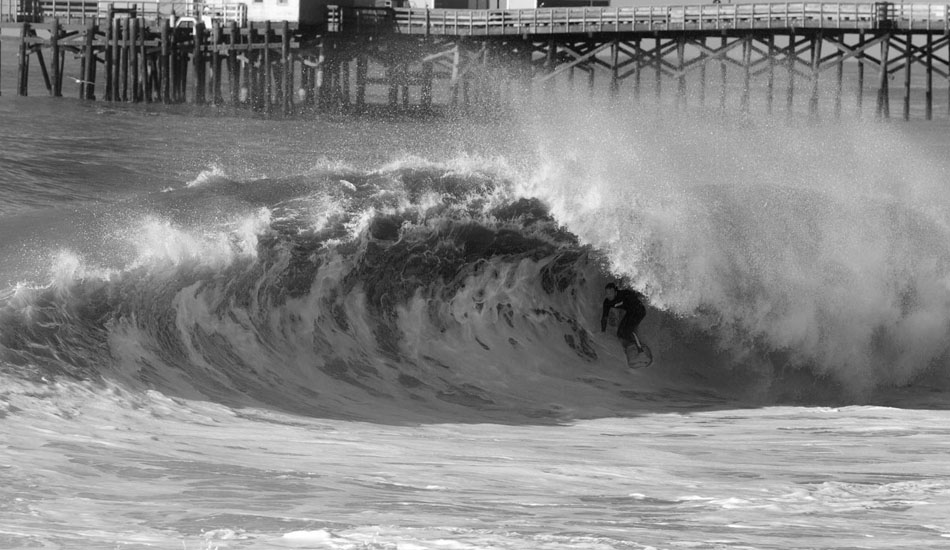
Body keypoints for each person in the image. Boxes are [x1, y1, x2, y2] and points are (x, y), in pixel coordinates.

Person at [600, 282, 647, 352]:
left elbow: (636, 294)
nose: (609, 295)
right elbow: (604, 318)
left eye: (611, 293)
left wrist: (645, 293)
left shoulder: (623, 294)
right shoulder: (607, 303)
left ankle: (640, 348)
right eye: (607, 293)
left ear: (615, 292)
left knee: (627, 331)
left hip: (639, 311)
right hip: (630, 312)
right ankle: (631, 344)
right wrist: (603, 332)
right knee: (620, 334)